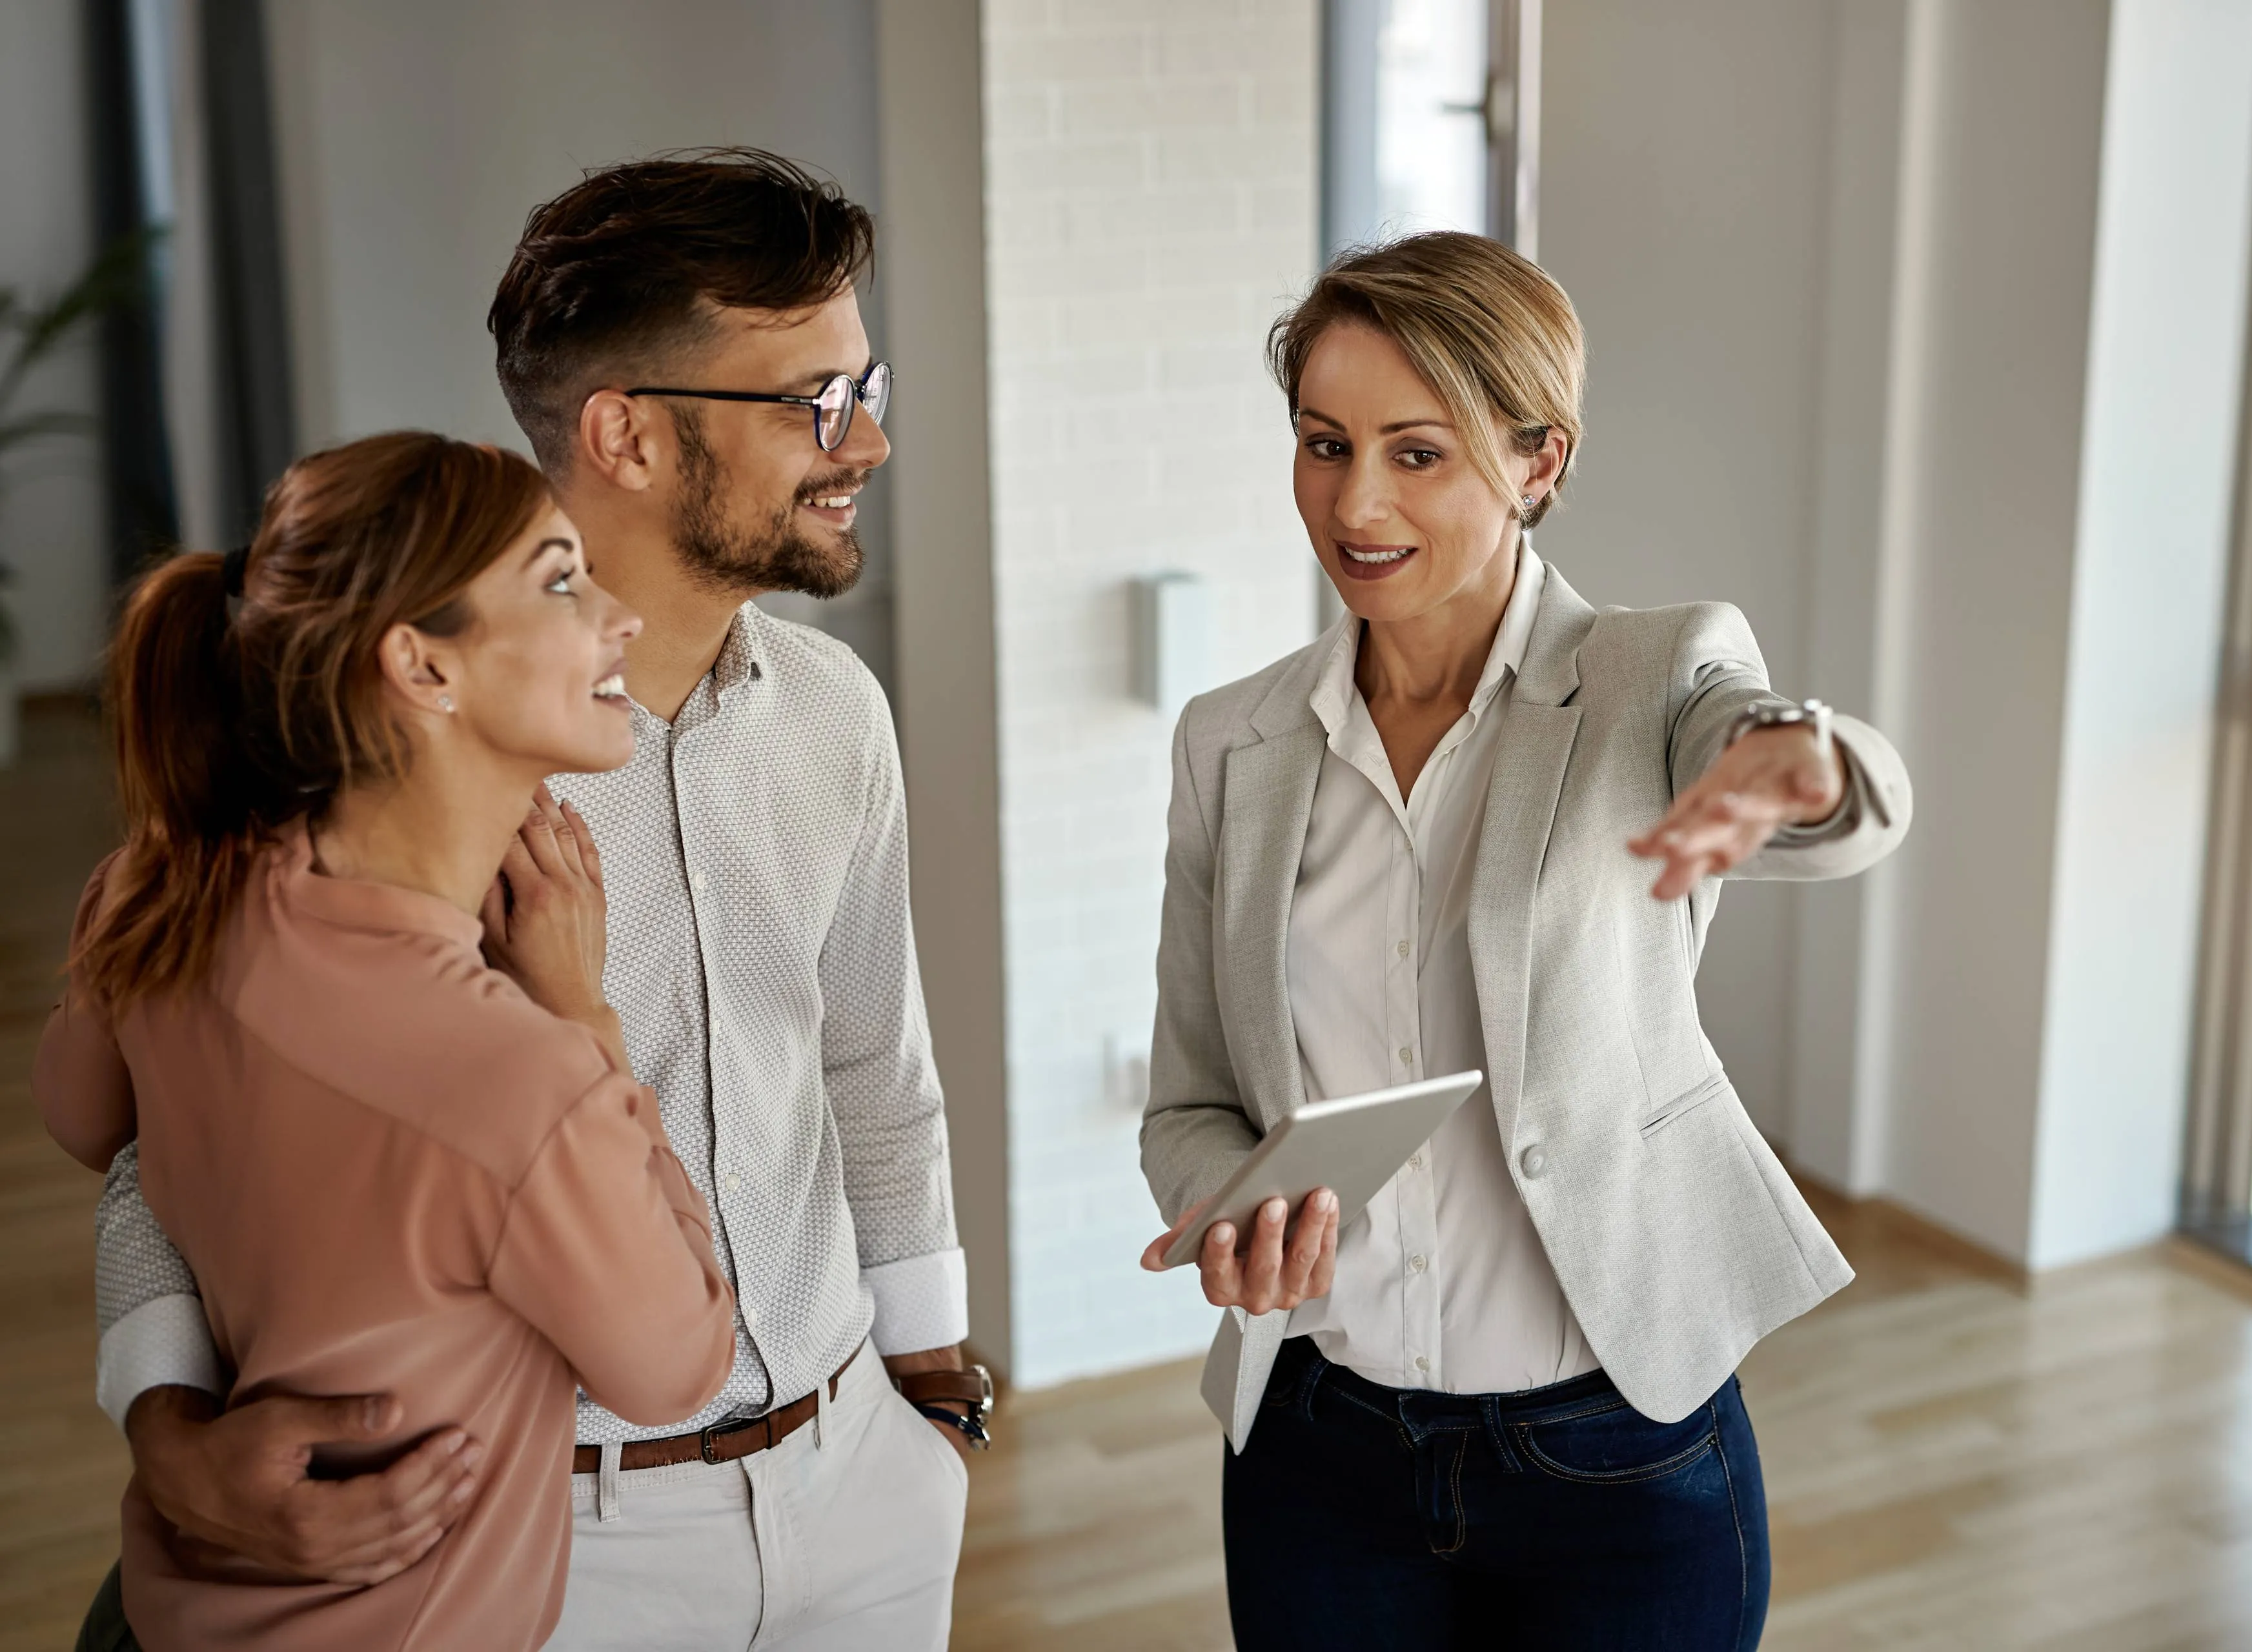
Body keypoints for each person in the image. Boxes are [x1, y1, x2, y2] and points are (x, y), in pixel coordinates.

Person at [86, 151, 982, 1651]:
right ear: (625, 433)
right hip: (543, 1536)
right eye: (816, 400)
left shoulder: (838, 711)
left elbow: (874, 1072)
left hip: (861, 1486)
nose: (870, 439)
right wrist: (168, 1420)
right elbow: (165, 1138)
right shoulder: (386, 764)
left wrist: (935, 1390)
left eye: (866, 382)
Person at [1136, 232, 1914, 1649]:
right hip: (1322, 1453)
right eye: (1324, 442)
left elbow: (1803, 768)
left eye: (1416, 452)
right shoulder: (1230, 744)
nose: (1354, 501)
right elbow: (1190, 1101)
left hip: (1618, 1454)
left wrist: (1800, 763)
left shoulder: (1650, 677)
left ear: (1538, 461)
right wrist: (1229, 1212)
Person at [36, 432, 740, 1649]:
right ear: (421, 666)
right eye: (562, 579)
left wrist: (163, 1424)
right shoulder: (524, 1079)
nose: (616, 617)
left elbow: (89, 1121)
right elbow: (678, 1366)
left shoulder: (161, 894)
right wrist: (585, 1019)